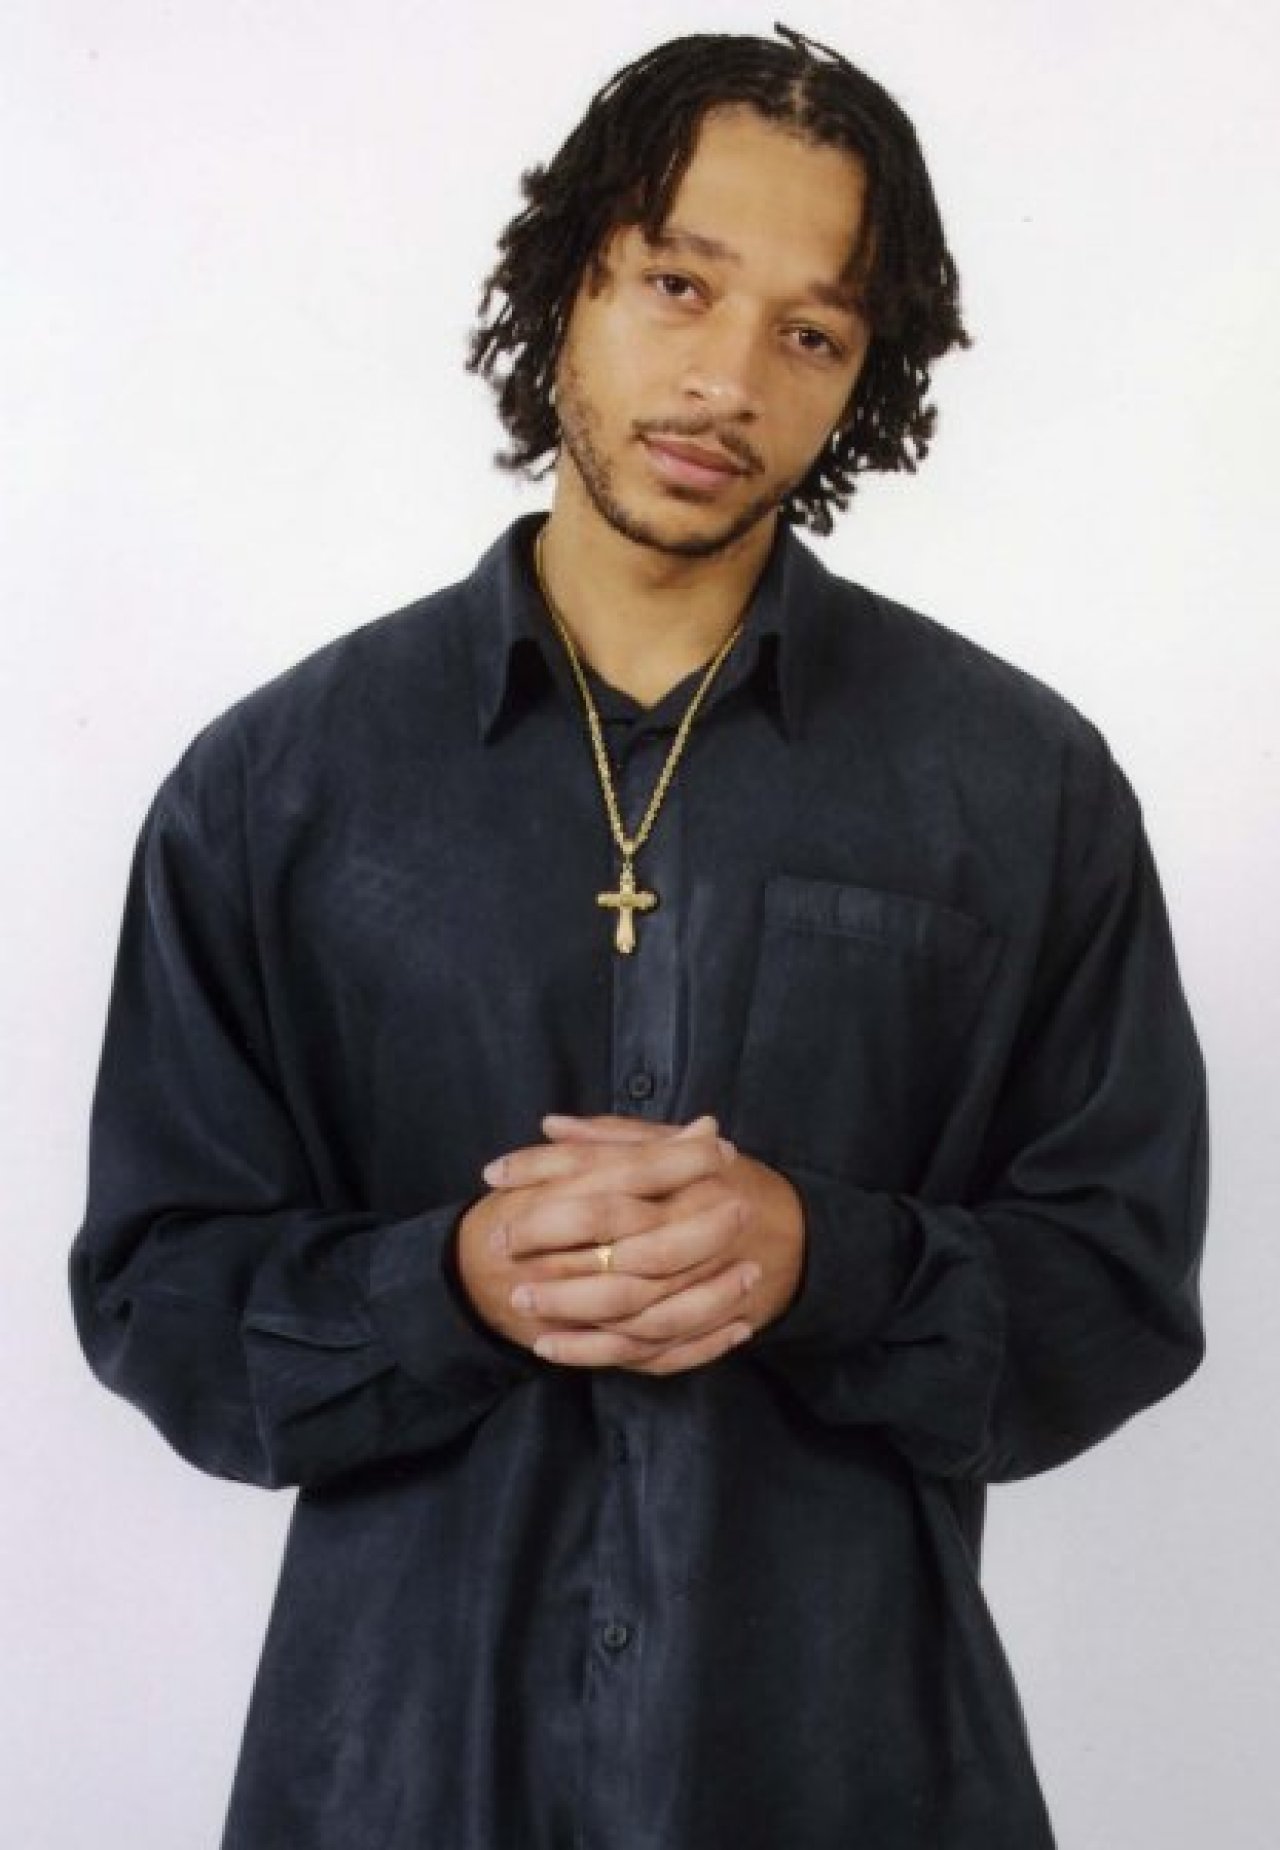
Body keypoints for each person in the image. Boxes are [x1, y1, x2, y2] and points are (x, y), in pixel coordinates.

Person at [69, 23, 1208, 1850]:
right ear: (567, 282)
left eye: (810, 333)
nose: (726, 379)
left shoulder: (1018, 787)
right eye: (679, 283)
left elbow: (1121, 1289)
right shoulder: (279, 787)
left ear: (865, 381)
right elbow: (155, 1290)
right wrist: (445, 1286)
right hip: (397, 1787)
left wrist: (825, 1259)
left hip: (851, 1782)